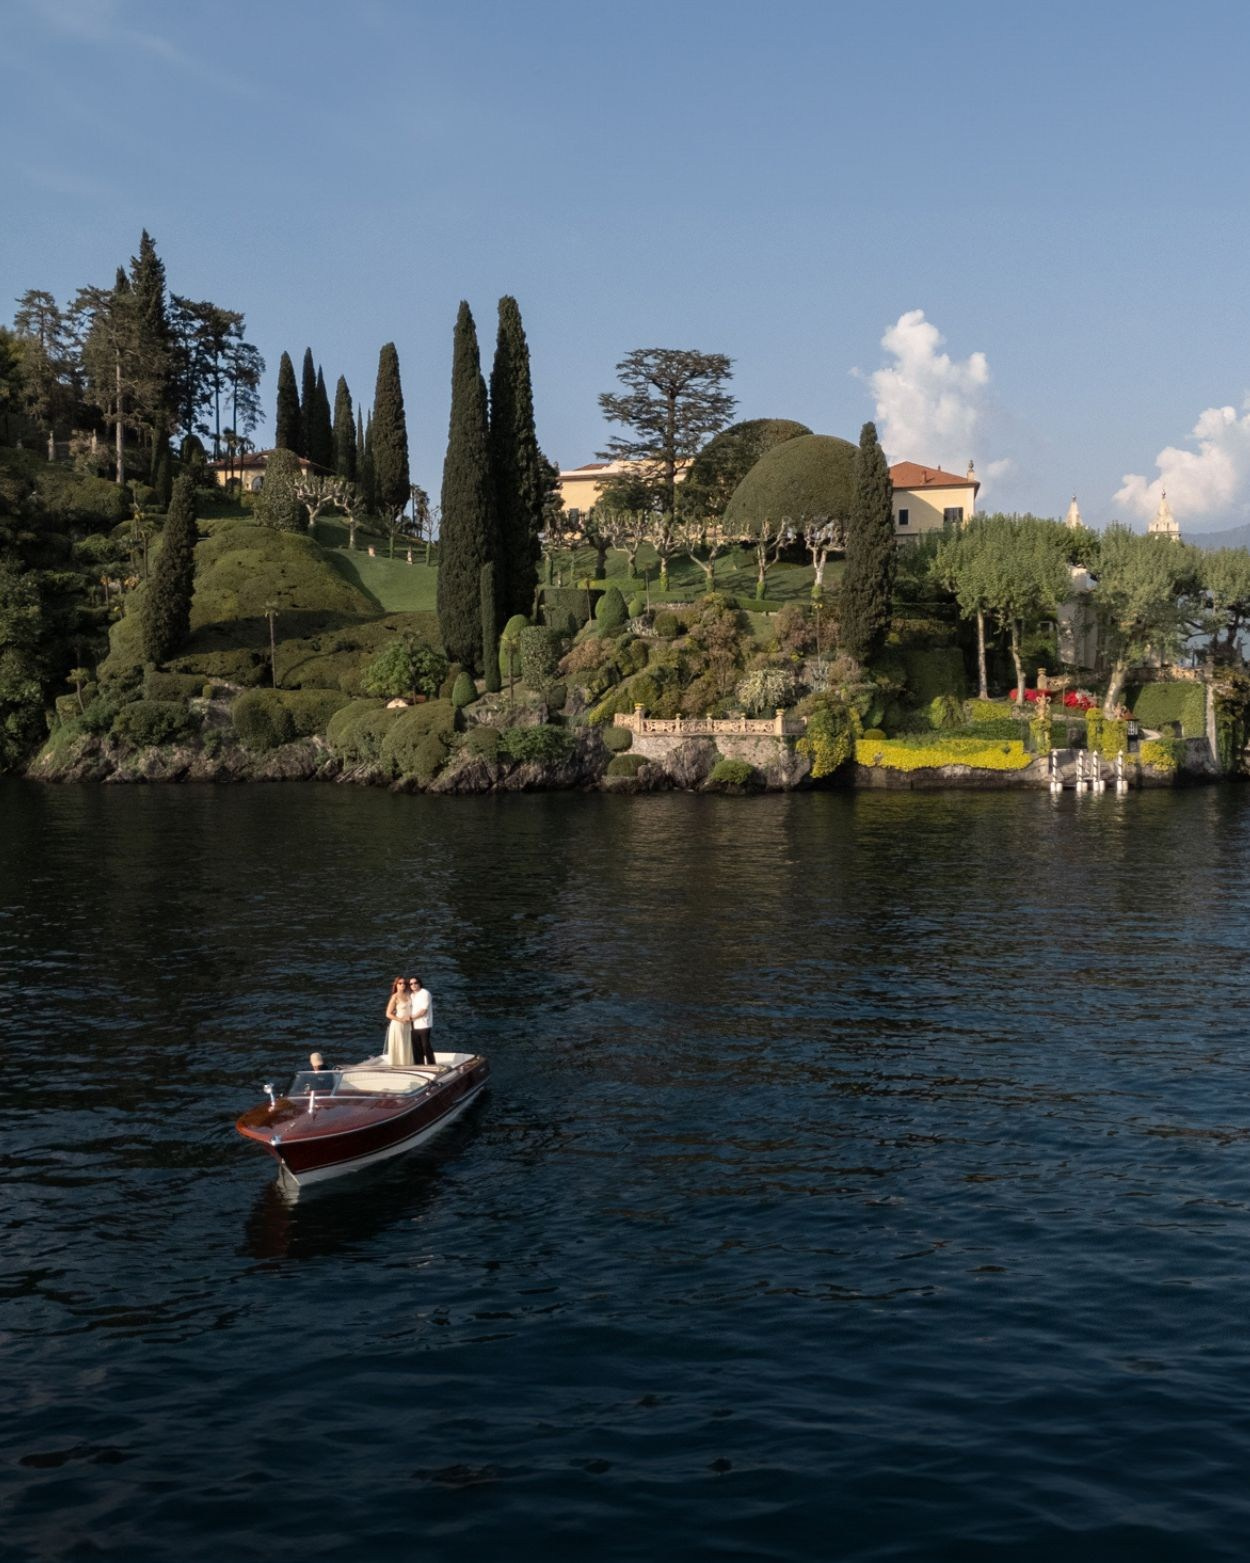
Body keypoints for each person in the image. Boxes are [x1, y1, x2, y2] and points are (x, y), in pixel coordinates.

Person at [384, 976, 414, 1066]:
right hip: (398, 1024)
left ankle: (408, 1064)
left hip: (408, 1024)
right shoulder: (395, 997)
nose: (402, 985)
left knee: (407, 1045)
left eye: (404, 983)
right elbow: (388, 1014)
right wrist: (400, 1020)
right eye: (400, 983)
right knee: (400, 1045)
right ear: (396, 985)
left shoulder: (409, 994)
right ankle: (398, 1065)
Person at [409, 977, 434, 1065]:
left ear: (419, 983)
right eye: (411, 984)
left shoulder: (425, 993)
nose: (413, 985)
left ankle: (432, 1064)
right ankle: (419, 1065)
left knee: (425, 1046)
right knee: (416, 1047)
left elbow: (423, 1011)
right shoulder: (411, 995)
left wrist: (410, 1018)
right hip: (413, 1025)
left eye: (415, 982)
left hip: (424, 1024)